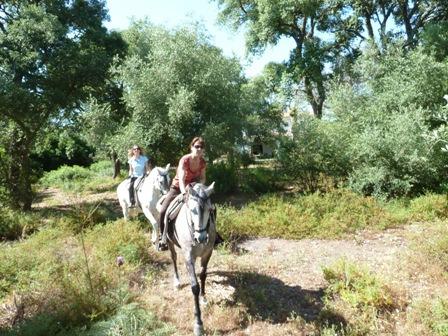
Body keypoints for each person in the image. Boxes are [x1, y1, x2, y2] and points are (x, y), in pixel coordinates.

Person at [157, 137, 223, 251]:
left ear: (203, 150)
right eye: (196, 146)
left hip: (193, 187)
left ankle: (214, 234)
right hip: (178, 188)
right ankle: (162, 238)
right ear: (192, 147)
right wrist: (184, 193)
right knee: (163, 211)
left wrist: (197, 187)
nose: (199, 149)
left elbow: (203, 179)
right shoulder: (185, 160)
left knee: (211, 207)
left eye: (201, 147)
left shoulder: (202, 162)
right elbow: (181, 179)